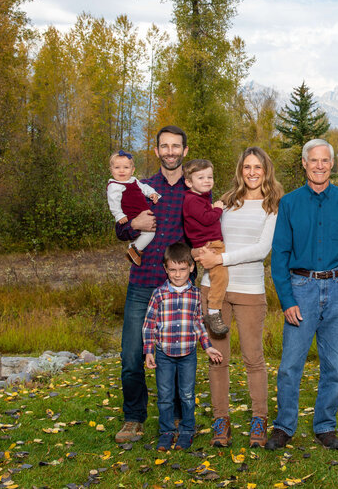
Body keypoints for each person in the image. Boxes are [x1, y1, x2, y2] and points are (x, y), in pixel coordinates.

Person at [265, 139, 338, 451]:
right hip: (302, 289)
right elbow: (279, 255)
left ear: (332, 164)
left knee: (333, 366)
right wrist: (287, 300)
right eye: (314, 160)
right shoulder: (291, 203)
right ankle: (284, 426)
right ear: (304, 163)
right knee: (289, 366)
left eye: (325, 161)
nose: (320, 166)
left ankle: (325, 425)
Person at [193, 147, 284, 448]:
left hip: (249, 291)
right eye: (247, 166)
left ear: (266, 170)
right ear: (240, 170)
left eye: (257, 167)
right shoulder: (226, 202)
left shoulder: (273, 206)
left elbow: (261, 250)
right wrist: (199, 253)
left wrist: (221, 259)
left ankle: (259, 418)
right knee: (218, 359)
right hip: (214, 290)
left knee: (253, 359)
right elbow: (204, 232)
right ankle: (222, 420)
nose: (252, 172)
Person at [114, 125, 190, 444]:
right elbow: (120, 231)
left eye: (176, 146)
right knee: (131, 355)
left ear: (185, 151)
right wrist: (135, 224)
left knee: (175, 355)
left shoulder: (195, 188)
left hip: (177, 289)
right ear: (156, 151)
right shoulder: (140, 187)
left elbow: (206, 233)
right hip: (143, 284)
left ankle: (174, 415)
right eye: (164, 146)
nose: (170, 151)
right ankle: (134, 418)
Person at [142, 243, 223, 451]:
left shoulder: (196, 295)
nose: (178, 275)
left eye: (182, 269)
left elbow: (198, 324)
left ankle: (187, 431)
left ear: (191, 268)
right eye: (173, 270)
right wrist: (149, 350)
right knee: (165, 396)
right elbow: (149, 323)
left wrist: (207, 347)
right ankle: (167, 432)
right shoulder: (159, 294)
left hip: (188, 354)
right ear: (165, 269)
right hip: (164, 354)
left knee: (187, 394)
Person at [182, 158, 229, 336]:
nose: (207, 181)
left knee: (218, 277)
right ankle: (213, 311)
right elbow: (207, 218)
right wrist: (217, 209)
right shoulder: (191, 200)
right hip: (209, 245)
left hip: (212, 242)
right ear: (188, 182)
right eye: (200, 178)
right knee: (220, 276)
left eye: (210, 177)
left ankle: (209, 310)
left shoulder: (200, 196)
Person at [106, 150, 161, 265]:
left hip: (141, 214)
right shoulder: (114, 186)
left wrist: (152, 193)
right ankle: (134, 249)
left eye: (126, 167)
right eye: (117, 167)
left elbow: (144, 187)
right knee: (149, 233)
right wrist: (119, 215)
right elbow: (113, 202)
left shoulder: (134, 181)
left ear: (132, 170)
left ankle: (134, 248)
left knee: (148, 232)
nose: (121, 170)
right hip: (131, 216)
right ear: (111, 170)